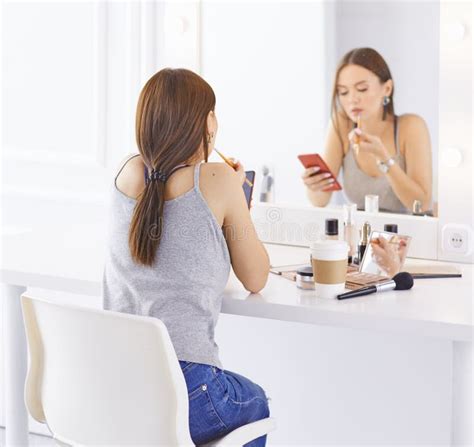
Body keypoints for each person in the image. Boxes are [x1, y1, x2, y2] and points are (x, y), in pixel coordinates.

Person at [102, 68, 271, 446]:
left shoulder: (125, 172)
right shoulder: (217, 179)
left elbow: (175, 247)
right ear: (208, 121)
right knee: (256, 402)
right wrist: (237, 199)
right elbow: (256, 277)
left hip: (115, 382)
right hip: (186, 387)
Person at [301, 47, 432, 214]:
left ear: (387, 89)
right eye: (343, 92)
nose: (352, 99)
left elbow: (422, 204)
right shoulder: (342, 124)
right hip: (363, 233)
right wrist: (314, 186)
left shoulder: (411, 126)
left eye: (362, 89)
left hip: (409, 233)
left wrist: (384, 159)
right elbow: (320, 201)